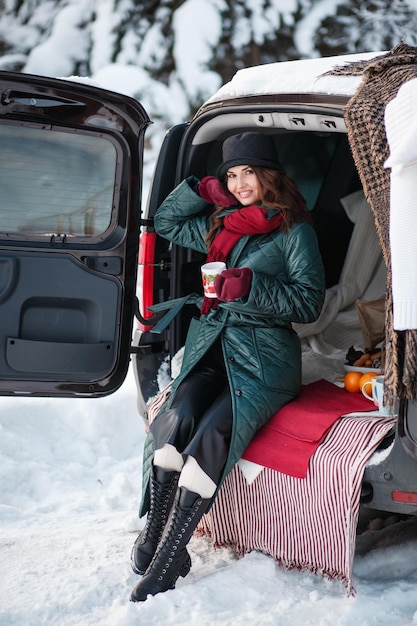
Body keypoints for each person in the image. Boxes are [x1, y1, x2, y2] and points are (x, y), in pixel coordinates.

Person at [129, 132, 325, 602]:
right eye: (231, 175)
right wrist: (205, 189)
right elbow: (167, 220)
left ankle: (170, 554)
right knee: (177, 418)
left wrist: (250, 287)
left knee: (213, 431)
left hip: (263, 359)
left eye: (247, 172)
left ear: (269, 175)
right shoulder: (221, 224)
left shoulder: (294, 230)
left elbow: (310, 302)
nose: (239, 183)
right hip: (210, 346)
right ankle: (158, 538)